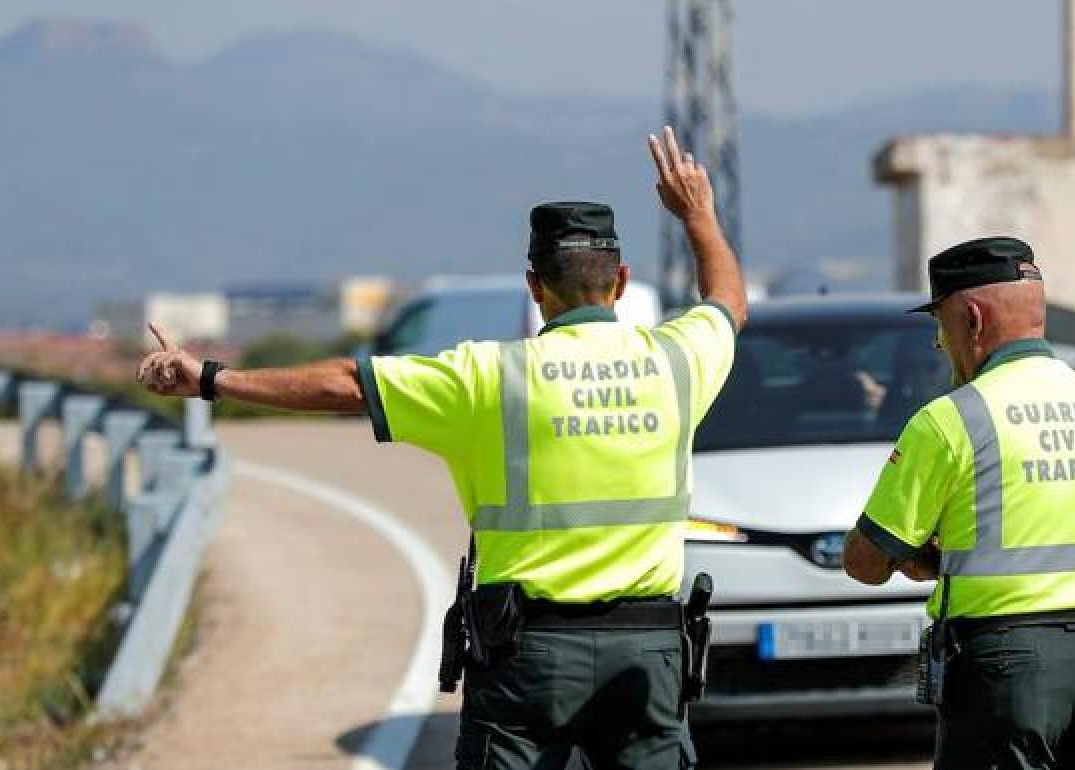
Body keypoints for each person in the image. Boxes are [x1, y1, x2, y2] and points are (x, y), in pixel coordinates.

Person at [137, 126, 747, 770]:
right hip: (645, 654)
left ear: (534, 286)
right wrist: (698, 214)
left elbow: (346, 383)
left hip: (528, 656)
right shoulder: (679, 362)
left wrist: (209, 378)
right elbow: (727, 303)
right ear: (620, 281)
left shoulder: (485, 377)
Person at [841, 237, 1075, 770]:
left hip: (1008, 667)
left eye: (941, 325)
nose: (941, 343)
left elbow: (865, 563)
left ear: (973, 320)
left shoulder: (951, 419)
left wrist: (927, 559)